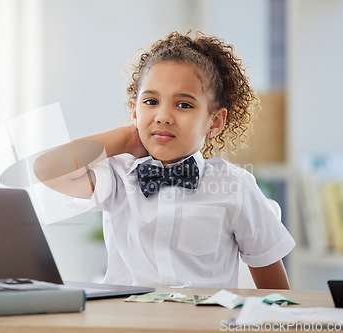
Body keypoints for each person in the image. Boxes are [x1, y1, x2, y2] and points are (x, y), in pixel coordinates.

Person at [34, 31, 295, 289]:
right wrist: (125, 138)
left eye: (184, 105)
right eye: (151, 101)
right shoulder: (118, 177)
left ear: (214, 122)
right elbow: (47, 169)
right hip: (128, 325)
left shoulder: (235, 186)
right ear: (134, 111)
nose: (163, 116)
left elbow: (276, 295)